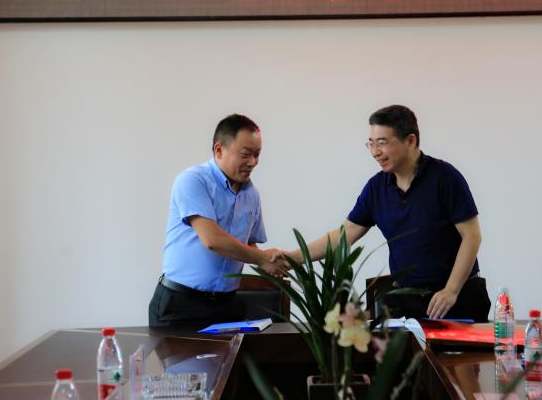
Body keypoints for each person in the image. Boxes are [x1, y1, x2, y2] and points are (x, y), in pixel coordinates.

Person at [287, 105, 490, 321]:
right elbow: (344, 235)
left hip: (457, 297)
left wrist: (451, 290)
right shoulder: (376, 188)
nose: (375, 152)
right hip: (406, 299)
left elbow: (472, 236)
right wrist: (292, 258)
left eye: (382, 143)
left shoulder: (445, 177)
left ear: (410, 141)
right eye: (371, 143)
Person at [148, 114, 286, 328]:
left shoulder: (252, 194)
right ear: (219, 149)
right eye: (245, 154)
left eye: (257, 154)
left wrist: (273, 263)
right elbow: (212, 239)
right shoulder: (192, 181)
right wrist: (262, 259)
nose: (253, 162)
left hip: (226, 305)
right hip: (181, 305)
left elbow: (248, 244)